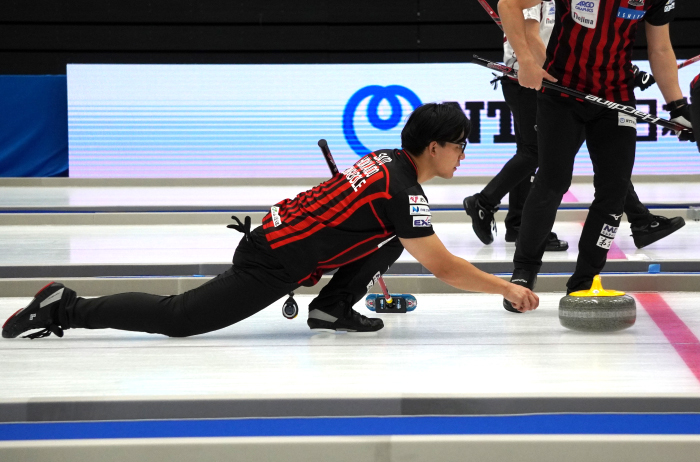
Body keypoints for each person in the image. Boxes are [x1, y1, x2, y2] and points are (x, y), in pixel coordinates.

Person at [2, 103, 539, 340]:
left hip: (281, 234)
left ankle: (330, 310)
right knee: (179, 318)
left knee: (392, 239)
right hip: (274, 258)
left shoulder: (387, 160)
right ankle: (65, 306)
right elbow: (444, 267)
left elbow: (370, 222)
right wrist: (507, 287)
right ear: (433, 147)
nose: (463, 155)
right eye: (460, 145)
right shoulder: (403, 191)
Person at [497, 0, 693, 311]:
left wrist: (678, 107)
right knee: (552, 182)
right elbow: (509, 4)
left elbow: (660, 48)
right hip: (562, 92)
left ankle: (584, 280)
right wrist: (526, 61)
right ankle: (523, 272)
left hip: (617, 96)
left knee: (614, 191)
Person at [464, 0, 685, 253]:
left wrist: (622, 72)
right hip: (537, 81)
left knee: (600, 157)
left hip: (558, 82)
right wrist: (568, 77)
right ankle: (487, 203)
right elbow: (531, 36)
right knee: (538, 154)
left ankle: (516, 221)